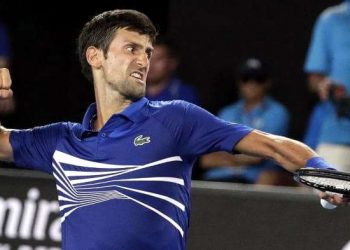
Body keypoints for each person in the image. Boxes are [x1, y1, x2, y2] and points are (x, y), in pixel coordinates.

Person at [0, 9, 346, 250]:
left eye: (148, 52)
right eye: (131, 49)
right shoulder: (61, 140)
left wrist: (322, 172)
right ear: (96, 56)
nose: (143, 61)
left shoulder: (175, 119)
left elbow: (270, 145)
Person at [201, 58, 293, 186]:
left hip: (253, 179)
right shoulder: (227, 112)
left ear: (267, 82)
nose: (251, 84)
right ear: (239, 82)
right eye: (246, 78)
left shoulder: (277, 112)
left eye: (258, 79)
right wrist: (242, 155)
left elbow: (259, 155)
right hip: (218, 178)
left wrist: (226, 155)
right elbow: (207, 159)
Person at [304, 0, 350, 172]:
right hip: (339, 139)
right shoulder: (331, 19)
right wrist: (325, 85)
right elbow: (315, 79)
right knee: (329, 198)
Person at [146, 37, 199, 104]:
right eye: (148, 58)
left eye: (158, 59)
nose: (151, 64)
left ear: (172, 63)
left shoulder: (183, 94)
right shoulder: (131, 92)